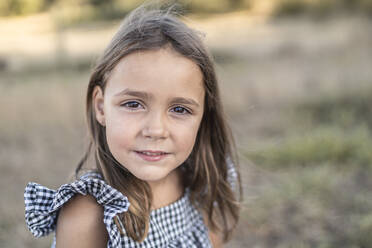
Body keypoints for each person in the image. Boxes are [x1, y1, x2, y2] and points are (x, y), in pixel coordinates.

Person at [24, 3, 241, 248]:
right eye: (133, 104)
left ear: (203, 116)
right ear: (101, 107)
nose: (156, 130)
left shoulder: (203, 185)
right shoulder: (88, 214)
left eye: (179, 109)